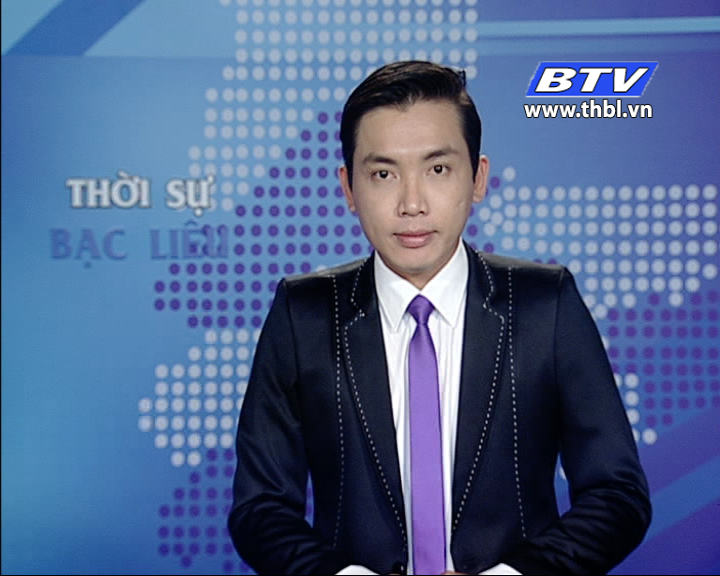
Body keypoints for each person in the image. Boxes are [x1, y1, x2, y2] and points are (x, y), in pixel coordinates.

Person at [227, 60, 652, 575]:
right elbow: (260, 508)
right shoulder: (304, 315)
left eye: (437, 170)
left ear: (478, 178)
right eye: (383, 174)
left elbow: (617, 494)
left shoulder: (546, 306)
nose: (411, 204)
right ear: (348, 188)